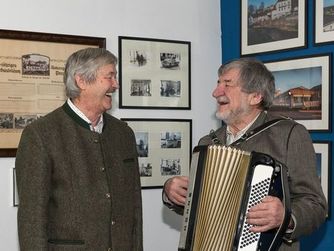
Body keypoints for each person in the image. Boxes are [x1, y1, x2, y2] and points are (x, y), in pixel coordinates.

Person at [163, 58, 327, 250]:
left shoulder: (289, 134)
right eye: (218, 84)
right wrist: (171, 192)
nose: (216, 93)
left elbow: (316, 206)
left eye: (227, 84)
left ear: (255, 97)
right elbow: (199, 209)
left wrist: (286, 217)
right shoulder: (207, 143)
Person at [16, 48, 143, 250]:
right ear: (82, 81)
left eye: (115, 77)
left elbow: (135, 209)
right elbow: (31, 220)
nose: (116, 84)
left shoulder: (123, 134)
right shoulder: (40, 135)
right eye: (110, 76)